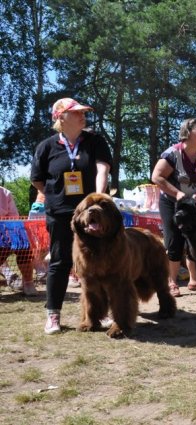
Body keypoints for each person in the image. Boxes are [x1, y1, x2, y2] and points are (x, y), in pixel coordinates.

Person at [31, 97, 112, 335]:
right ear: (61, 118)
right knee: (60, 261)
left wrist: (97, 196)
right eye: (76, 112)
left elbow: (102, 167)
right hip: (60, 214)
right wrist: (55, 198)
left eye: (83, 112)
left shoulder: (95, 141)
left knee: (98, 263)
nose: (82, 115)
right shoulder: (46, 147)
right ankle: (53, 315)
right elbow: (37, 179)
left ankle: (102, 312)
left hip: (93, 215)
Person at [151, 118, 196, 297]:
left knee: (195, 240)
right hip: (173, 203)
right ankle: (171, 282)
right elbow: (156, 177)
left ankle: (194, 279)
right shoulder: (172, 154)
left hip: (195, 205)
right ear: (187, 133)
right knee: (174, 241)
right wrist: (177, 194)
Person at [0, 185, 36, 296]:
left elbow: (13, 219)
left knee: (23, 243)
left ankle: (28, 282)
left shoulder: (5, 193)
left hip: (4, 235)